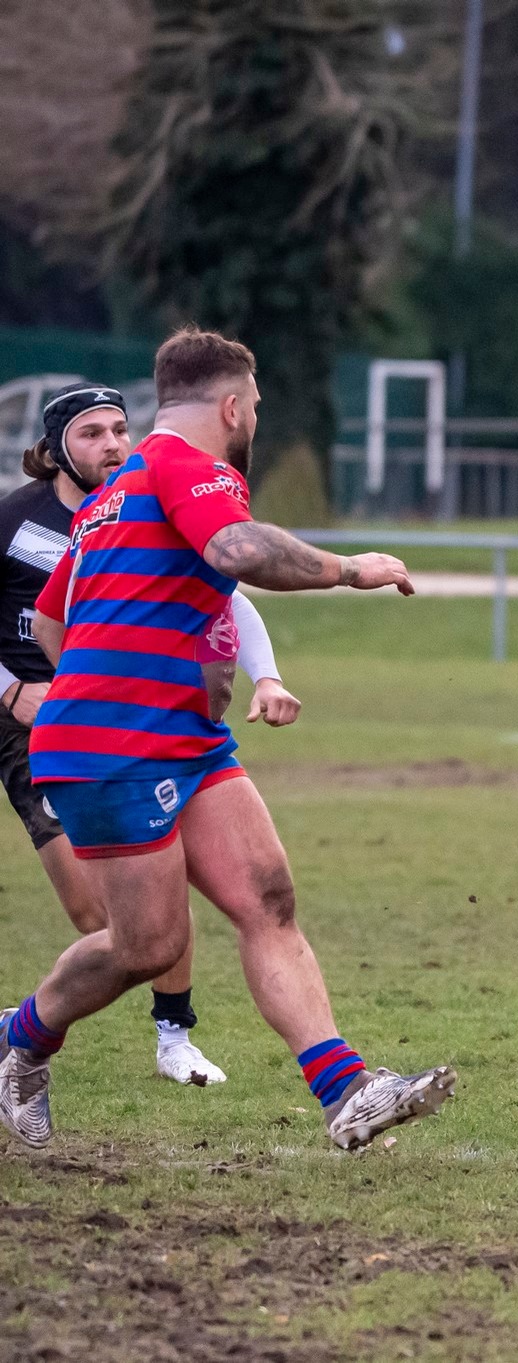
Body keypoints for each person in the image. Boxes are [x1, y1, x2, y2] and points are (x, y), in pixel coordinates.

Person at [0, 327, 454, 1153]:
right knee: (149, 946)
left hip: (181, 737)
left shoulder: (111, 498)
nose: (253, 422)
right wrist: (353, 568)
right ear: (234, 405)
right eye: (255, 409)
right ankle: (19, 1040)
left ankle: (346, 1089)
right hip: (111, 747)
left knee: (267, 897)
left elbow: (50, 617)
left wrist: (125, 672)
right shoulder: (191, 465)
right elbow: (236, 549)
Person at [0, 383, 299, 1089]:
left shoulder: (147, 503)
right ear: (56, 451)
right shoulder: (15, 520)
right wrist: (13, 691)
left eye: (118, 429)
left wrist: (267, 676)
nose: (111, 444)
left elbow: (226, 589)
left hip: (116, 723)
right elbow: (46, 621)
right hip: (32, 720)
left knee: (145, 904)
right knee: (96, 911)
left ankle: (174, 1036)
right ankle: (25, 1033)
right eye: (92, 433)